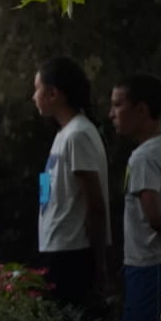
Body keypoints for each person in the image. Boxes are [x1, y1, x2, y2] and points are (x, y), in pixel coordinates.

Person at [33, 55, 110, 308]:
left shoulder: (78, 135)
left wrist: (99, 262)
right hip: (56, 246)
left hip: (73, 251)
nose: (34, 97)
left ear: (54, 94)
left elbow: (94, 203)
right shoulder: (64, 134)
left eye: (37, 89)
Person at [110, 72, 161, 321]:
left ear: (141, 110)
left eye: (118, 105)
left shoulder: (144, 157)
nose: (112, 113)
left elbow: (155, 217)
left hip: (149, 263)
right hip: (153, 262)